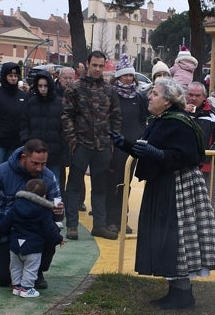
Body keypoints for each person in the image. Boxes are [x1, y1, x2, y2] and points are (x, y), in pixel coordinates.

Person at [111, 78, 215, 309]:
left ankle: (182, 294)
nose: (150, 97)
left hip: (177, 186)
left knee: (176, 237)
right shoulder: (162, 120)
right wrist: (126, 145)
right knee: (166, 237)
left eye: (155, 93)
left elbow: (189, 156)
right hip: (163, 184)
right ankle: (176, 291)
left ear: (168, 100)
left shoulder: (180, 122)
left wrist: (157, 154)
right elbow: (150, 148)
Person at [0, 140, 65, 289]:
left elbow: (58, 211)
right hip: (7, 234)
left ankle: (38, 270)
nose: (40, 168)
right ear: (24, 157)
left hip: (36, 236)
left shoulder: (49, 177)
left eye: (43, 164)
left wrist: (59, 213)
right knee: (3, 279)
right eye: (35, 163)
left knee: (52, 233)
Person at [62, 50, 121, 241]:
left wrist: (112, 140)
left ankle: (99, 225)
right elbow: (66, 116)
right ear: (87, 64)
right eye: (94, 65)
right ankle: (72, 225)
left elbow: (116, 117)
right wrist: (73, 142)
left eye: (101, 66)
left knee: (100, 187)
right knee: (74, 186)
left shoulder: (110, 90)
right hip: (81, 145)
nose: (97, 69)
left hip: (103, 146)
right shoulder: (74, 88)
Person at [0, 178, 64, 298]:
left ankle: (16, 286)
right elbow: (49, 229)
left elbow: (6, 222)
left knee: (15, 266)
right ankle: (27, 289)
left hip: (15, 244)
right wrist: (58, 239)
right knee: (31, 268)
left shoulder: (16, 205)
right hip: (33, 246)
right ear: (44, 195)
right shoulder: (44, 211)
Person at [106, 56, 149, 236]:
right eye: (125, 76)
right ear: (118, 77)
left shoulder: (138, 97)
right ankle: (111, 220)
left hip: (132, 148)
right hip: (115, 147)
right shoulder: (111, 95)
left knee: (127, 184)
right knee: (113, 184)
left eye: (131, 75)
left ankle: (123, 218)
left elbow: (142, 119)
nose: (129, 79)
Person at [19, 69, 67, 193]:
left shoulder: (59, 104)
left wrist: (62, 146)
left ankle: (54, 211)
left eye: (45, 86)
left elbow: (64, 128)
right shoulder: (30, 103)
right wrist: (26, 141)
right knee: (32, 185)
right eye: (40, 86)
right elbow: (23, 124)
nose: (43, 89)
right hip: (34, 151)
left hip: (54, 152)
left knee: (53, 184)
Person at [0, 62, 28, 172]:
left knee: (12, 174)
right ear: (4, 76)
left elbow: (26, 118)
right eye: (10, 76)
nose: (13, 78)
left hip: (15, 144)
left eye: (16, 76)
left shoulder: (23, 96)